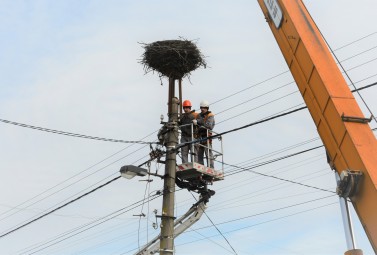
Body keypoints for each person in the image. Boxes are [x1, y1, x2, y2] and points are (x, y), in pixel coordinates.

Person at [194, 100, 215, 168]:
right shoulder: (199, 115)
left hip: (207, 135)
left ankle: (211, 167)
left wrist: (198, 122)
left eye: (204, 108)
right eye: (201, 107)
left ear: (207, 108)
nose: (202, 109)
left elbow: (209, 126)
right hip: (200, 136)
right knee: (200, 153)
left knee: (208, 152)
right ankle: (201, 167)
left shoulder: (210, 115)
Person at [179, 100, 198, 164]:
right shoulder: (182, 117)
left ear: (190, 108)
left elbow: (201, 121)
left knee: (193, 152)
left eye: (187, 108)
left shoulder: (194, 115)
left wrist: (197, 121)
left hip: (192, 136)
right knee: (184, 152)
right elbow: (179, 124)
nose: (185, 109)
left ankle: (194, 163)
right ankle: (185, 164)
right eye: (184, 108)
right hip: (184, 136)